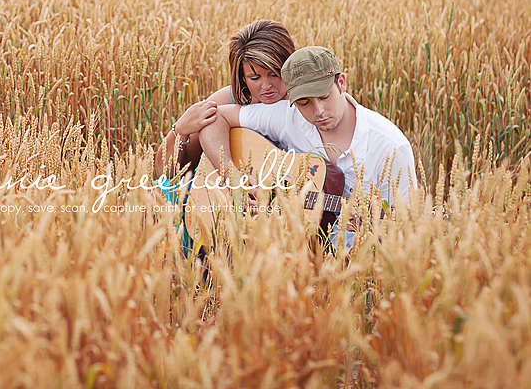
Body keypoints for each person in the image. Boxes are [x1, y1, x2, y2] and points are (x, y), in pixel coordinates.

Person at [198, 46, 418, 250]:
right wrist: (232, 176)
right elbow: (214, 119)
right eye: (305, 103)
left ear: (341, 82)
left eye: (324, 97)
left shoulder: (391, 147)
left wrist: (373, 230)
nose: (319, 110)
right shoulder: (287, 116)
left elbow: (407, 229)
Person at [153, 19, 296, 257]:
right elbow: (163, 172)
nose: (266, 85)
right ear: (241, 77)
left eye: (275, 73)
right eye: (254, 77)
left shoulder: (309, 105)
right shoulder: (228, 101)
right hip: (213, 222)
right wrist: (181, 130)